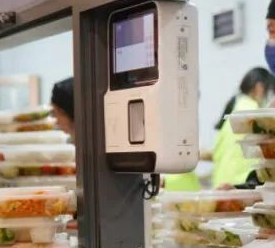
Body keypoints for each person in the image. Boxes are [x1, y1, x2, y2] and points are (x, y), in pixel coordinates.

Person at [50, 77, 200, 191]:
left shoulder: (112, 143)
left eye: (57, 113)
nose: (55, 120)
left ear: (73, 112)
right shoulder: (86, 145)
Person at [210, 67, 275, 188]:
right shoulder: (253, 112)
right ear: (259, 88)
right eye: (271, 93)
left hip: (220, 184)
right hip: (240, 184)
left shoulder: (232, 115)